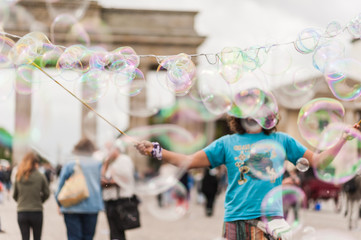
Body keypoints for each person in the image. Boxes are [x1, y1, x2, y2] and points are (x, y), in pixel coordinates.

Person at [135, 116, 359, 240]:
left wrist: (342, 140)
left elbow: (319, 161)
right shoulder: (227, 143)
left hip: (271, 221)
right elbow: (190, 160)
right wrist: (156, 150)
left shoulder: (282, 140)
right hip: (236, 219)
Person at [55, 138, 103, 240]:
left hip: (72, 206)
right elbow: (102, 184)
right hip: (92, 206)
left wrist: (59, 203)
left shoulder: (70, 164)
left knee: (73, 237)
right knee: (88, 237)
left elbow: (60, 185)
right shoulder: (98, 164)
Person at [101, 141, 136, 240]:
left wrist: (107, 182)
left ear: (116, 149)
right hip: (111, 201)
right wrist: (106, 163)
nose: (107, 152)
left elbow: (125, 178)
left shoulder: (123, 160)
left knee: (117, 231)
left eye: (109, 149)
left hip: (118, 201)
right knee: (114, 231)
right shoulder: (113, 162)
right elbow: (102, 176)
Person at [13, 152, 50, 240]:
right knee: (37, 238)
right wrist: (40, 200)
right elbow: (47, 193)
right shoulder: (41, 176)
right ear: (36, 164)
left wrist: (21, 202)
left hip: (22, 212)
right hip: (36, 211)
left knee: (24, 238)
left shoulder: (18, 176)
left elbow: (14, 195)